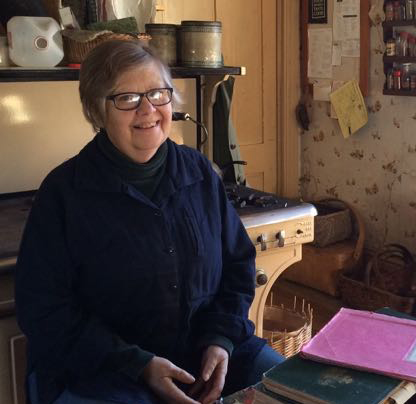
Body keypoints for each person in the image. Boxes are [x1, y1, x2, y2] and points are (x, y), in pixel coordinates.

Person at [15, 40, 283, 404]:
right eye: (127, 98)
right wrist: (138, 365)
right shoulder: (64, 194)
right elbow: (45, 312)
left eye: (158, 94)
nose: (148, 110)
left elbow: (237, 265)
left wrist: (221, 340)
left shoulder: (200, 172)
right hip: (104, 372)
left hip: (207, 356)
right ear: (97, 109)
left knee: (295, 391)